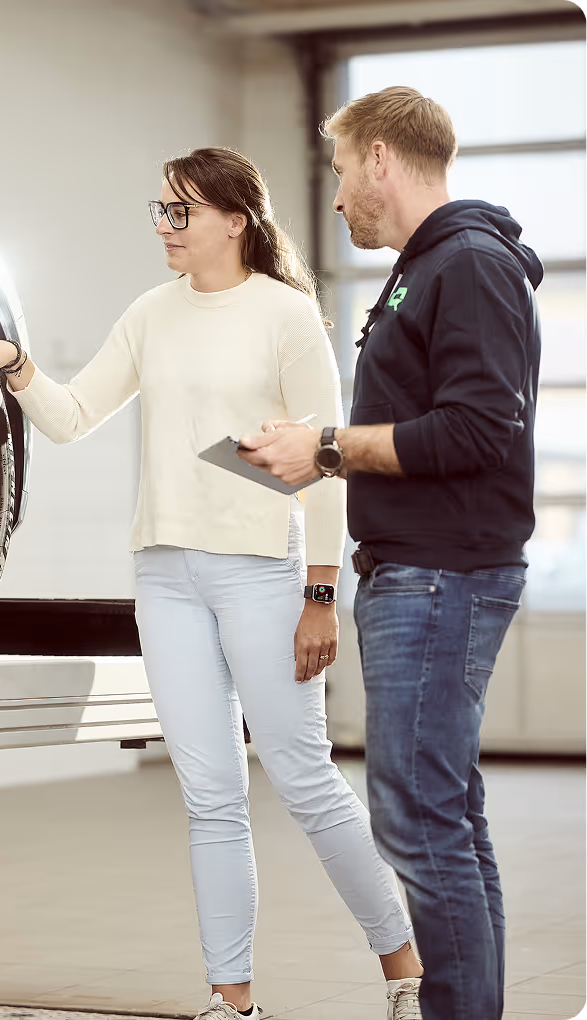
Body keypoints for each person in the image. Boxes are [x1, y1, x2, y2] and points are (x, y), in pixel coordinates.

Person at [0, 147, 423, 1020]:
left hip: (262, 578)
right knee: (210, 797)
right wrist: (17, 364)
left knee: (305, 780)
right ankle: (229, 1000)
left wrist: (320, 597)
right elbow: (73, 417)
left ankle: (406, 970)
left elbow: (324, 463)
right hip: (163, 578)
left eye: (181, 212)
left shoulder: (286, 317)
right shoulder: (151, 314)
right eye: (159, 211)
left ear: (235, 220)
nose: (164, 227)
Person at [239, 88, 543, 1020]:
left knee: (416, 817)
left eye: (337, 173)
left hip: (443, 572)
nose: (335, 199)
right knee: (446, 817)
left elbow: (480, 429)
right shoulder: (428, 269)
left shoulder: (470, 264)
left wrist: (328, 446)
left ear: (380, 158)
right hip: (423, 568)